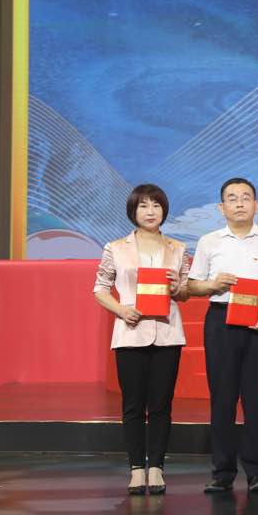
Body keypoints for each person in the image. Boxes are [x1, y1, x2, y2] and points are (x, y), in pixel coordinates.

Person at [184, 177, 258, 493]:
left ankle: (257, 472)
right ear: (221, 207)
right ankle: (223, 472)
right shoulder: (209, 241)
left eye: (246, 197)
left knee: (256, 398)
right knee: (222, 398)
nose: (240, 203)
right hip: (221, 321)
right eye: (232, 198)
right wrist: (213, 284)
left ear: (256, 204)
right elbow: (193, 285)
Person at [91, 184, 190, 496]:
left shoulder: (178, 248)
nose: (151, 211)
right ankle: (136, 467)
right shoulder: (116, 248)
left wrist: (178, 287)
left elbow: (185, 292)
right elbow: (100, 288)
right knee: (133, 404)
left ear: (164, 210)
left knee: (161, 404)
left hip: (167, 333)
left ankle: (157, 466)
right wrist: (122, 310)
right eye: (144, 206)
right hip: (130, 333)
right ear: (133, 211)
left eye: (156, 205)